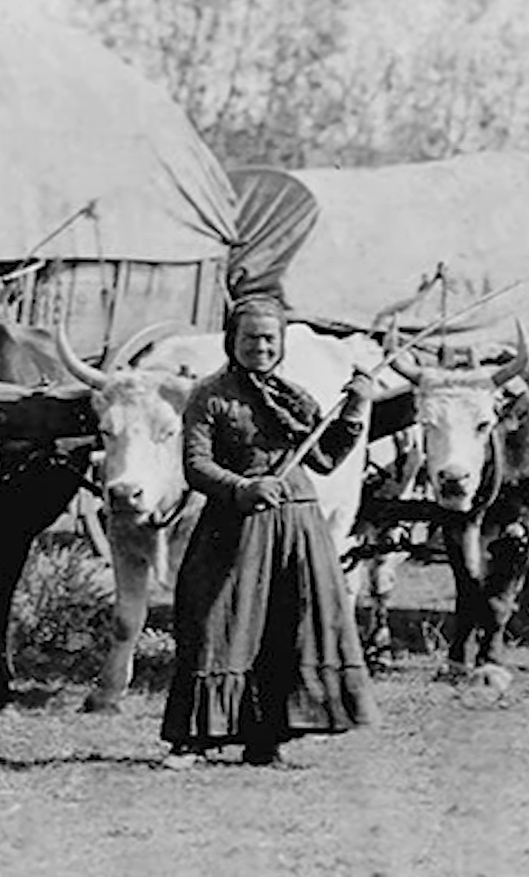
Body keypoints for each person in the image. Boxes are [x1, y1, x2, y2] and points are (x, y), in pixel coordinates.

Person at [160, 295, 379, 768]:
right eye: (250, 339)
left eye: (268, 339)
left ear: (280, 343)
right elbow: (196, 466)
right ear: (231, 341)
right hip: (235, 528)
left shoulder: (295, 398)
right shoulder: (209, 395)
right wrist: (243, 487)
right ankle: (193, 740)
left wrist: (355, 409)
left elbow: (325, 459)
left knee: (287, 627)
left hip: (298, 527)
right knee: (217, 623)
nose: (260, 348)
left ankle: (267, 738)